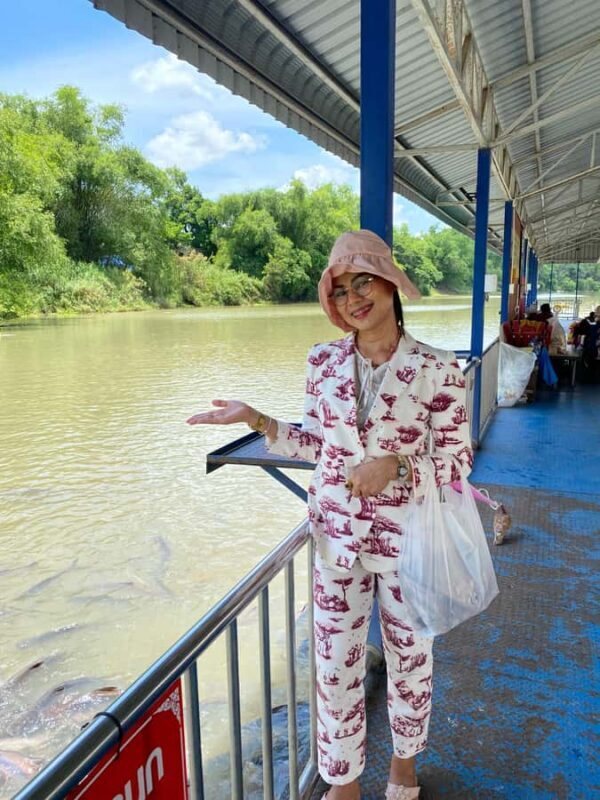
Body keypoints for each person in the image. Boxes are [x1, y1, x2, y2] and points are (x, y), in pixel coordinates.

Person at [186, 230, 473, 800]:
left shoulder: (440, 370)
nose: (353, 299)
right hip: (335, 541)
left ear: (390, 282)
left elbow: (458, 463)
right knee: (333, 665)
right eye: (340, 291)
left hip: (406, 543)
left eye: (363, 281)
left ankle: (403, 769)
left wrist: (396, 467)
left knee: (411, 660)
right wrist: (258, 420)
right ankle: (342, 782)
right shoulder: (321, 361)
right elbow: (319, 445)